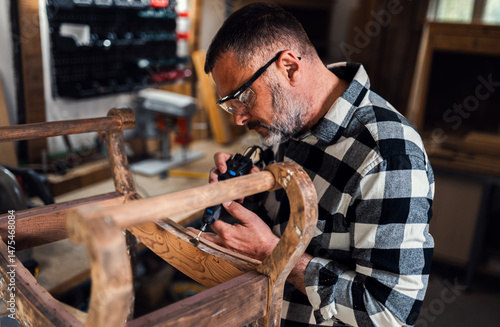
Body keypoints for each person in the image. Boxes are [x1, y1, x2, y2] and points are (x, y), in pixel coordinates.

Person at [191, 2, 434, 326]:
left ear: (289, 67)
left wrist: (274, 253)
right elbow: (275, 216)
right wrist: (244, 191)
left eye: (244, 98)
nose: (238, 119)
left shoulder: (390, 157)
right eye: (228, 106)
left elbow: (389, 313)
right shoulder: (290, 122)